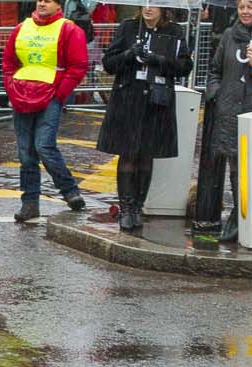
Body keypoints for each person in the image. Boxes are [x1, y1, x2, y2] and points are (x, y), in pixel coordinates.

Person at [194, 0, 252, 241]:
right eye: (241, 7)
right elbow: (215, 70)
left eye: (250, 7)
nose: (245, 12)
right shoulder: (228, 35)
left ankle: (246, 216)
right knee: (235, 165)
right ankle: (239, 213)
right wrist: (216, 93)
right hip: (229, 110)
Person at [96, 4, 192, 234]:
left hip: (156, 103)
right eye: (145, 4)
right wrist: (130, 54)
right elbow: (109, 63)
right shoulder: (128, 27)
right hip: (128, 99)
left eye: (154, 4)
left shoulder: (174, 31)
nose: (149, 8)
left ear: (164, 8)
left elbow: (184, 67)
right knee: (128, 153)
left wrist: (158, 60)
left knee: (147, 155)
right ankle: (126, 208)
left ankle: (138, 206)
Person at [3, 0, 90, 223]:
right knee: (26, 153)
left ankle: (69, 191)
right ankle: (30, 204)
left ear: (58, 5)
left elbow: (78, 66)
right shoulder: (22, 27)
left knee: (43, 146)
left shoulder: (70, 30)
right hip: (22, 94)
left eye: (48, 0)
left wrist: (59, 95)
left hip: (50, 95)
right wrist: (12, 88)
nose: (42, 3)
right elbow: (9, 62)